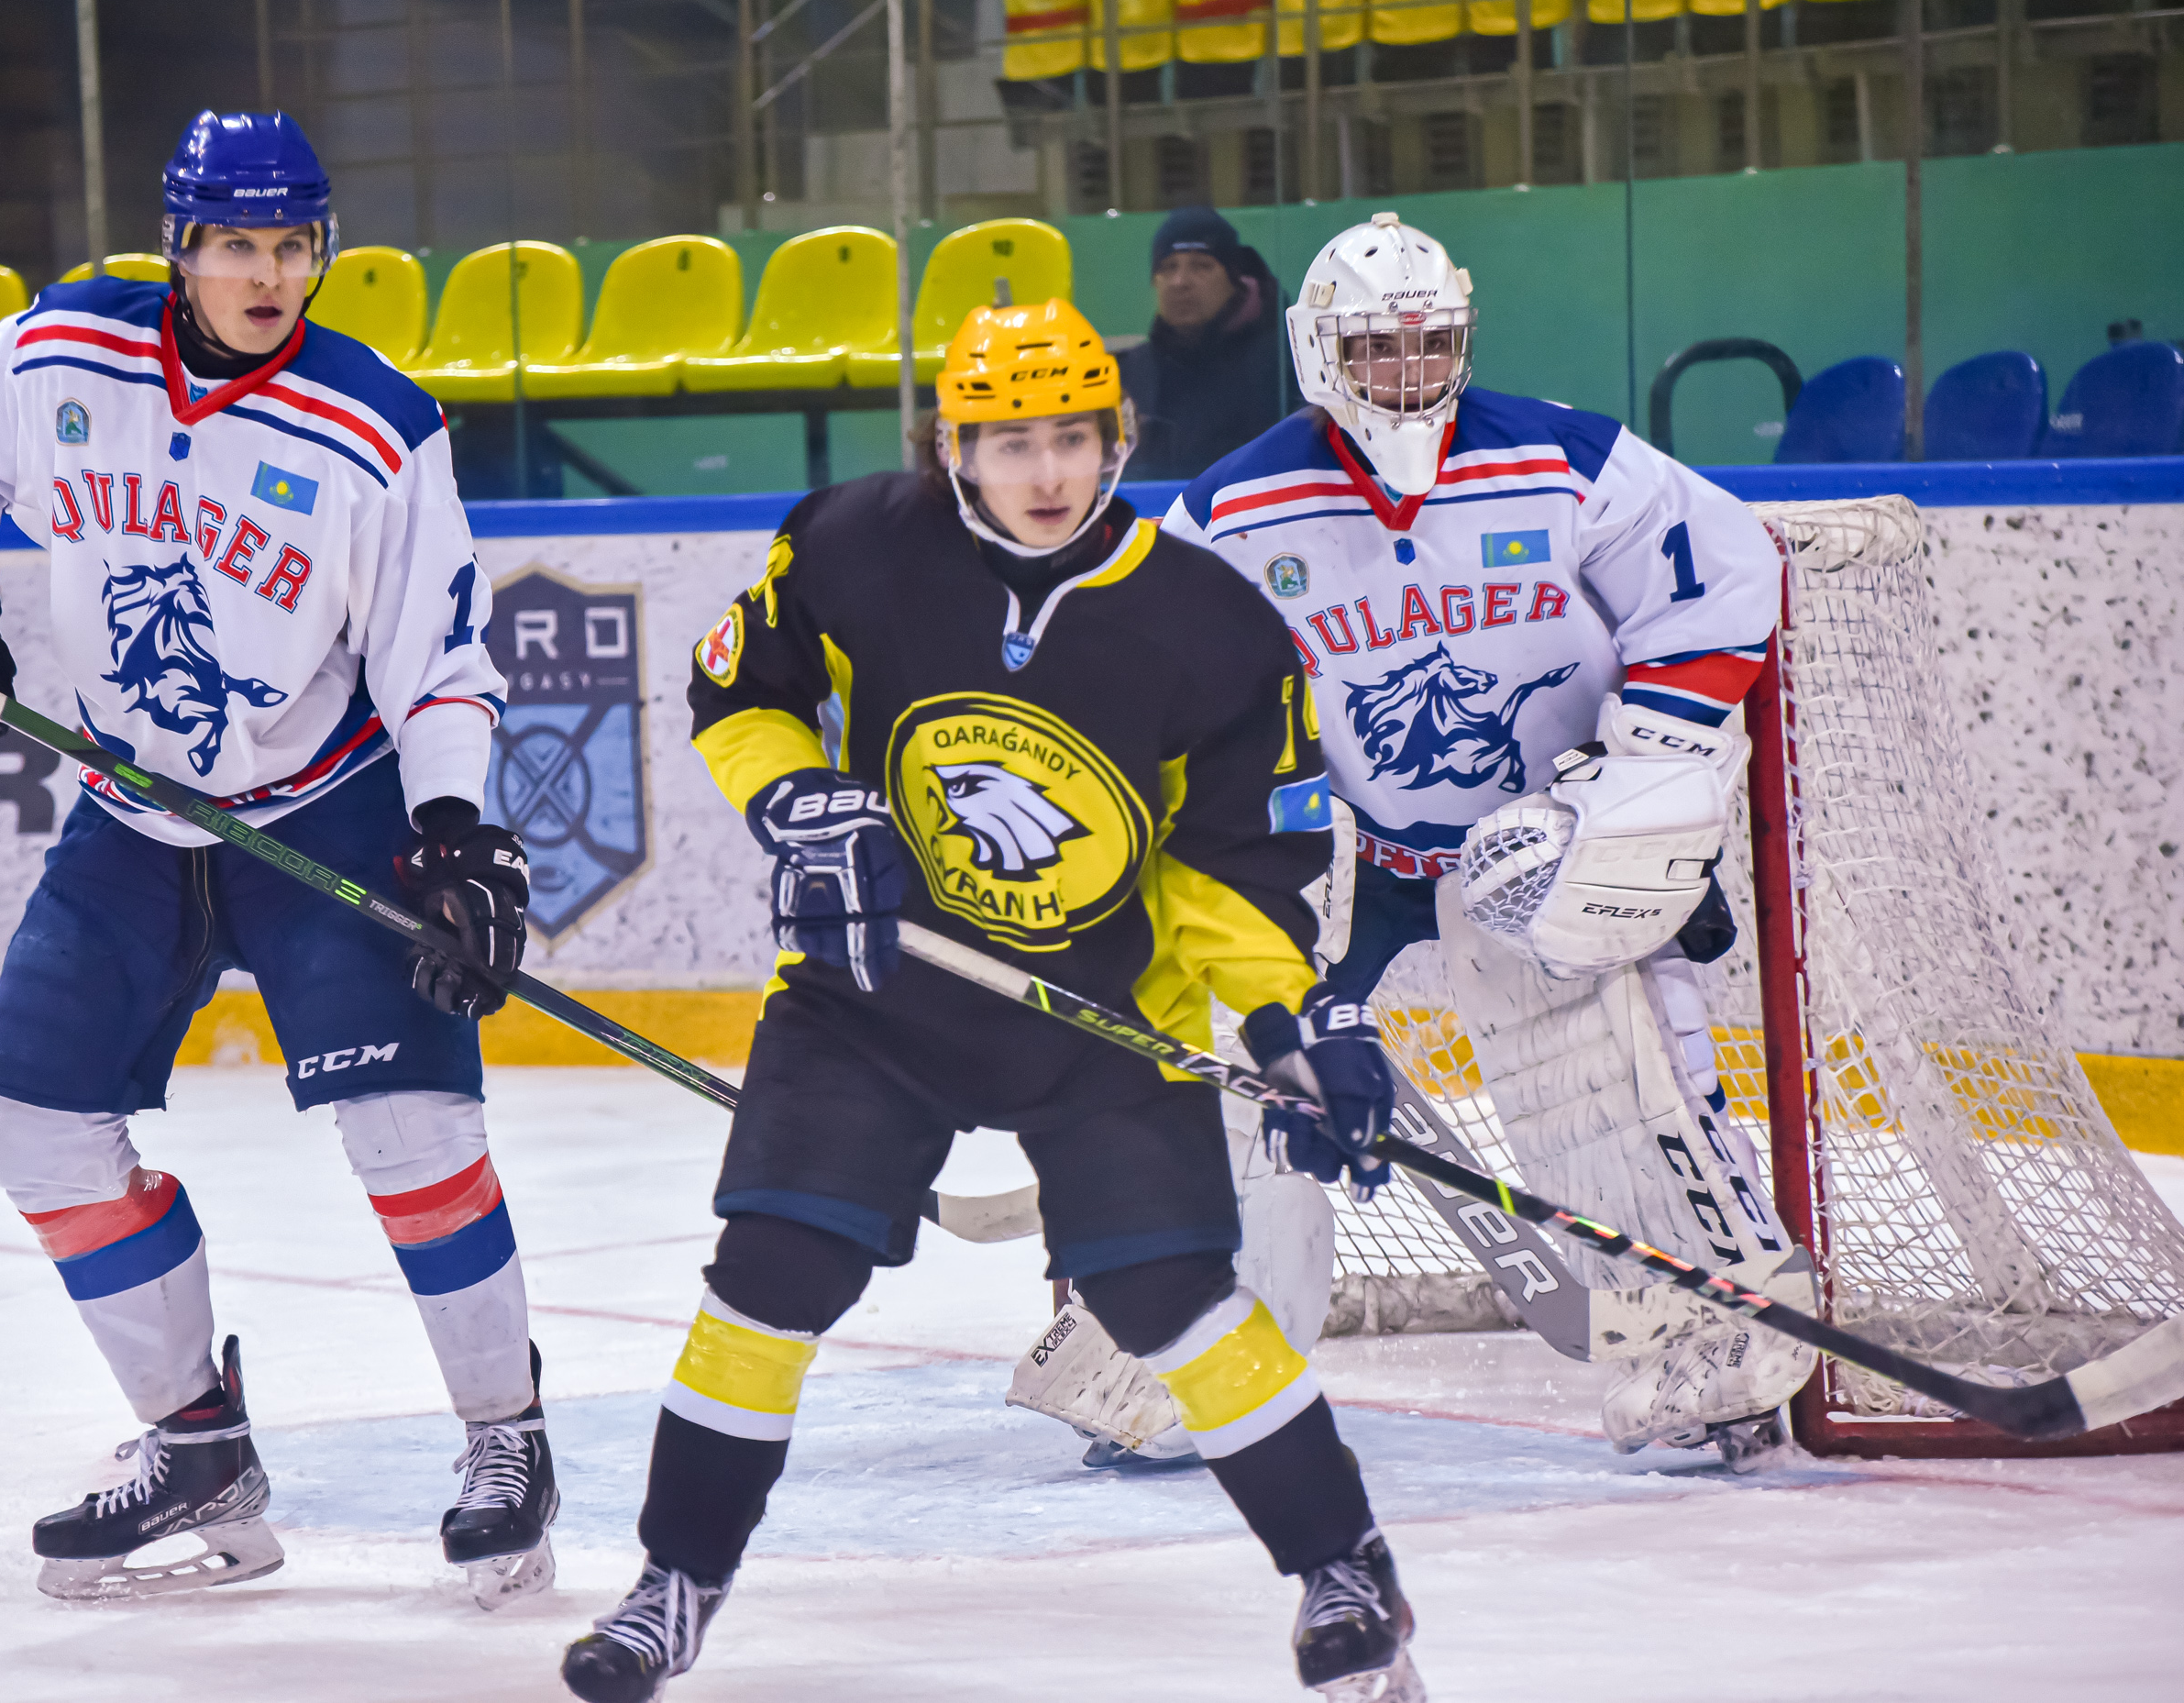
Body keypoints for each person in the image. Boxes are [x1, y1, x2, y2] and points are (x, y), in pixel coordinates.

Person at [559, 298, 1428, 1703]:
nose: (1046, 471)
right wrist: (802, 799)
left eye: (1073, 437)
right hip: (876, 991)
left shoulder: (1208, 622)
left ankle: (1344, 1562)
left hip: (1100, 1015)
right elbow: (741, 693)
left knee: (1168, 1295)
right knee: (771, 1270)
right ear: (950, 446)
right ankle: (676, 1577)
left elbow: (1231, 872)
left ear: (1117, 436)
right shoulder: (850, 543)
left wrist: (1288, 1026)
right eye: (1011, 441)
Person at [0, 109, 562, 1605]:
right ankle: (198, 1447)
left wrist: (453, 827)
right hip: (130, 814)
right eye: (237, 243)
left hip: (327, 803)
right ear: (179, 244)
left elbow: (439, 658)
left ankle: (507, 1437)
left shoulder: (375, 424)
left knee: (413, 1127)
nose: (268, 274)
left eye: (294, 245)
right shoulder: (65, 349)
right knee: (28, 1128)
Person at [1162, 212, 1816, 1464]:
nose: (1408, 371)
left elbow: (1723, 569)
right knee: (1239, 1081)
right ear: (1319, 351)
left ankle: (1710, 1340)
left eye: (1430, 341)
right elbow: (1165, 687)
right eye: (1378, 346)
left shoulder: (1567, 457)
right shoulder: (1235, 508)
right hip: (1343, 856)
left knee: (1626, 1073)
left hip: (1542, 850)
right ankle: (1193, 1354)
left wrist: (1641, 778)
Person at [1117, 205, 1294, 484]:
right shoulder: (1135, 371)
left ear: (1234, 280)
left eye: (1201, 266)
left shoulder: (1281, 365)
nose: (1180, 282)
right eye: (1168, 267)